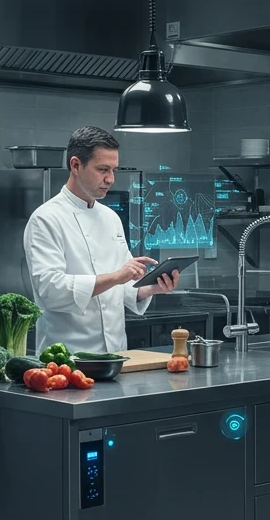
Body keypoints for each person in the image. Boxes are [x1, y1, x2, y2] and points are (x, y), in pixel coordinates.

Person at [24, 126, 178, 354]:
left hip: (115, 357)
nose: (110, 179)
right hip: (66, 359)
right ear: (75, 165)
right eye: (103, 169)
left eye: (113, 170)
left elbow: (121, 288)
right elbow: (50, 290)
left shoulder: (110, 218)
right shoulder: (46, 219)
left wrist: (150, 288)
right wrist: (117, 276)